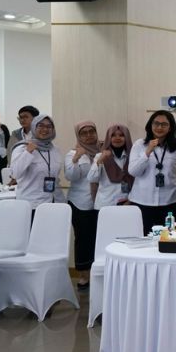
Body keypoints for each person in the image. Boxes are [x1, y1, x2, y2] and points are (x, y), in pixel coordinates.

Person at [128, 110, 176, 233]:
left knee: (166, 240)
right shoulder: (140, 145)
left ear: (170, 128)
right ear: (150, 126)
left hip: (169, 201)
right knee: (143, 240)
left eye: (164, 124)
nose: (159, 127)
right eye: (156, 123)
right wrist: (148, 152)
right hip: (142, 201)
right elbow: (133, 171)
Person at [64, 121, 100, 286]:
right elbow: (71, 176)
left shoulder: (103, 150)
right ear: (78, 135)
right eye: (84, 133)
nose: (88, 135)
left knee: (98, 239)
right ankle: (84, 275)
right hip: (80, 202)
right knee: (83, 239)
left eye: (91, 131)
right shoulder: (72, 153)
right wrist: (77, 157)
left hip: (101, 202)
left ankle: (97, 273)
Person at [9, 115, 64, 209]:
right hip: (31, 203)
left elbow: (55, 176)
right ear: (34, 127)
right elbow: (15, 173)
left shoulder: (55, 150)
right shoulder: (22, 148)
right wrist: (28, 152)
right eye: (41, 126)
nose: (45, 129)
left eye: (49, 126)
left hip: (54, 201)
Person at [90, 124, 134, 208]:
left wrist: (130, 200)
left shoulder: (132, 157)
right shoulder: (100, 156)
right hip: (105, 204)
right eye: (113, 135)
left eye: (121, 135)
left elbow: (137, 183)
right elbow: (92, 178)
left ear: (127, 138)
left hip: (126, 203)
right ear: (108, 138)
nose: (117, 138)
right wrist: (101, 160)